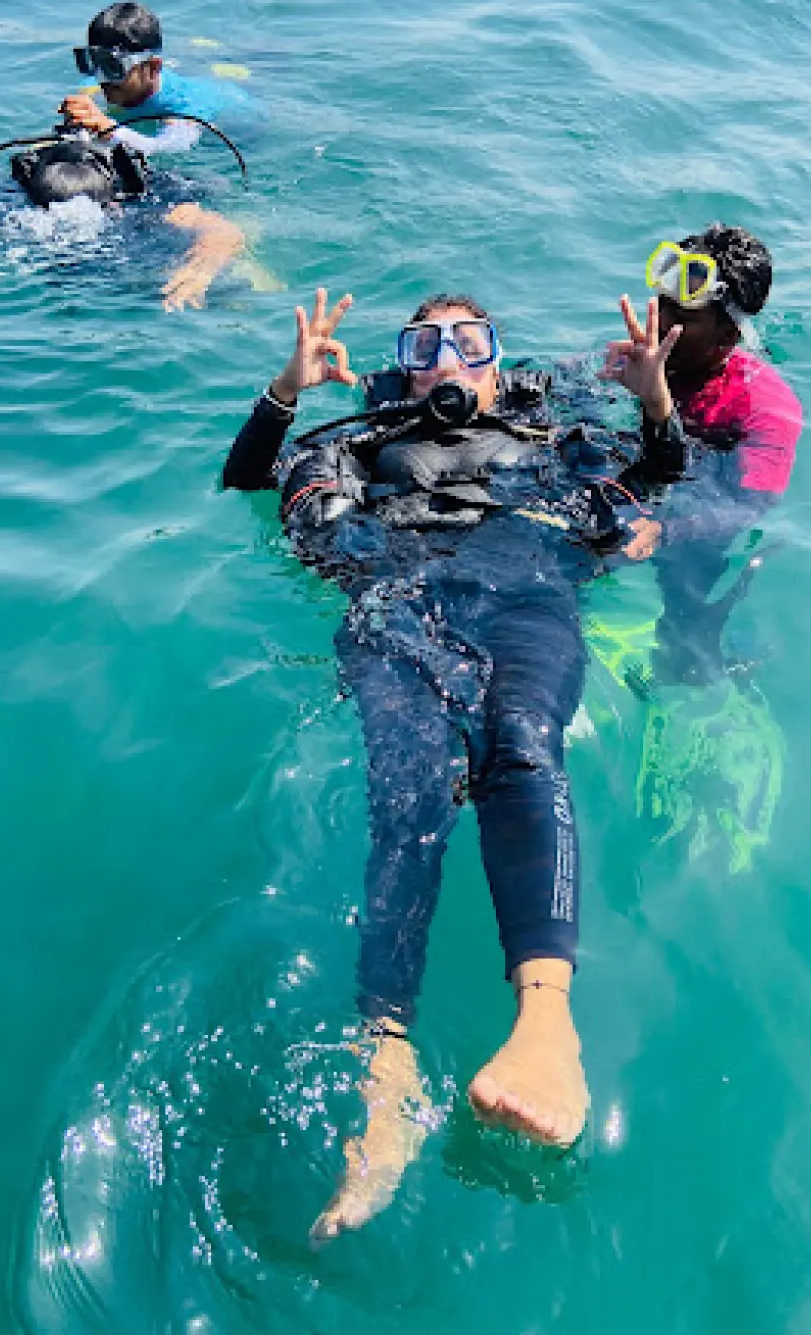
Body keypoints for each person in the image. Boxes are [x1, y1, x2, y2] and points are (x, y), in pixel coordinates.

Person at [221, 288, 676, 1239]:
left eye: (472, 341)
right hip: (395, 598)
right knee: (408, 787)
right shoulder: (360, 437)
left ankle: (545, 1023)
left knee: (521, 746)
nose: (450, 358)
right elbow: (247, 480)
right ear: (405, 365)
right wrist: (287, 388)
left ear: (498, 364)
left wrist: (654, 402)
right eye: (427, 343)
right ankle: (386, 1059)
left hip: (526, 592)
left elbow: (656, 485)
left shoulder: (551, 431)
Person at [599, 223, 803, 683]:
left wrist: (668, 531)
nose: (661, 323)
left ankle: (698, 681)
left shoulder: (767, 406)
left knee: (688, 612)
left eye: (682, 317)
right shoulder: (640, 358)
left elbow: (751, 505)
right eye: (663, 305)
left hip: (700, 509)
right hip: (645, 474)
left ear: (727, 336)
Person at [0, 130, 245, 311]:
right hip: (66, 290)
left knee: (239, 293)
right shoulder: (9, 200)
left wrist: (200, 269)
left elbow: (223, 233)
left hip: (136, 275)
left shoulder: (145, 198)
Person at [61, 3, 259, 157]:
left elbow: (166, 149)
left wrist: (110, 131)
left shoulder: (181, 108)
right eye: (94, 63)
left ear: (153, 67)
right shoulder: (96, 85)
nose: (100, 78)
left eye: (113, 67)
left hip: (242, 128)